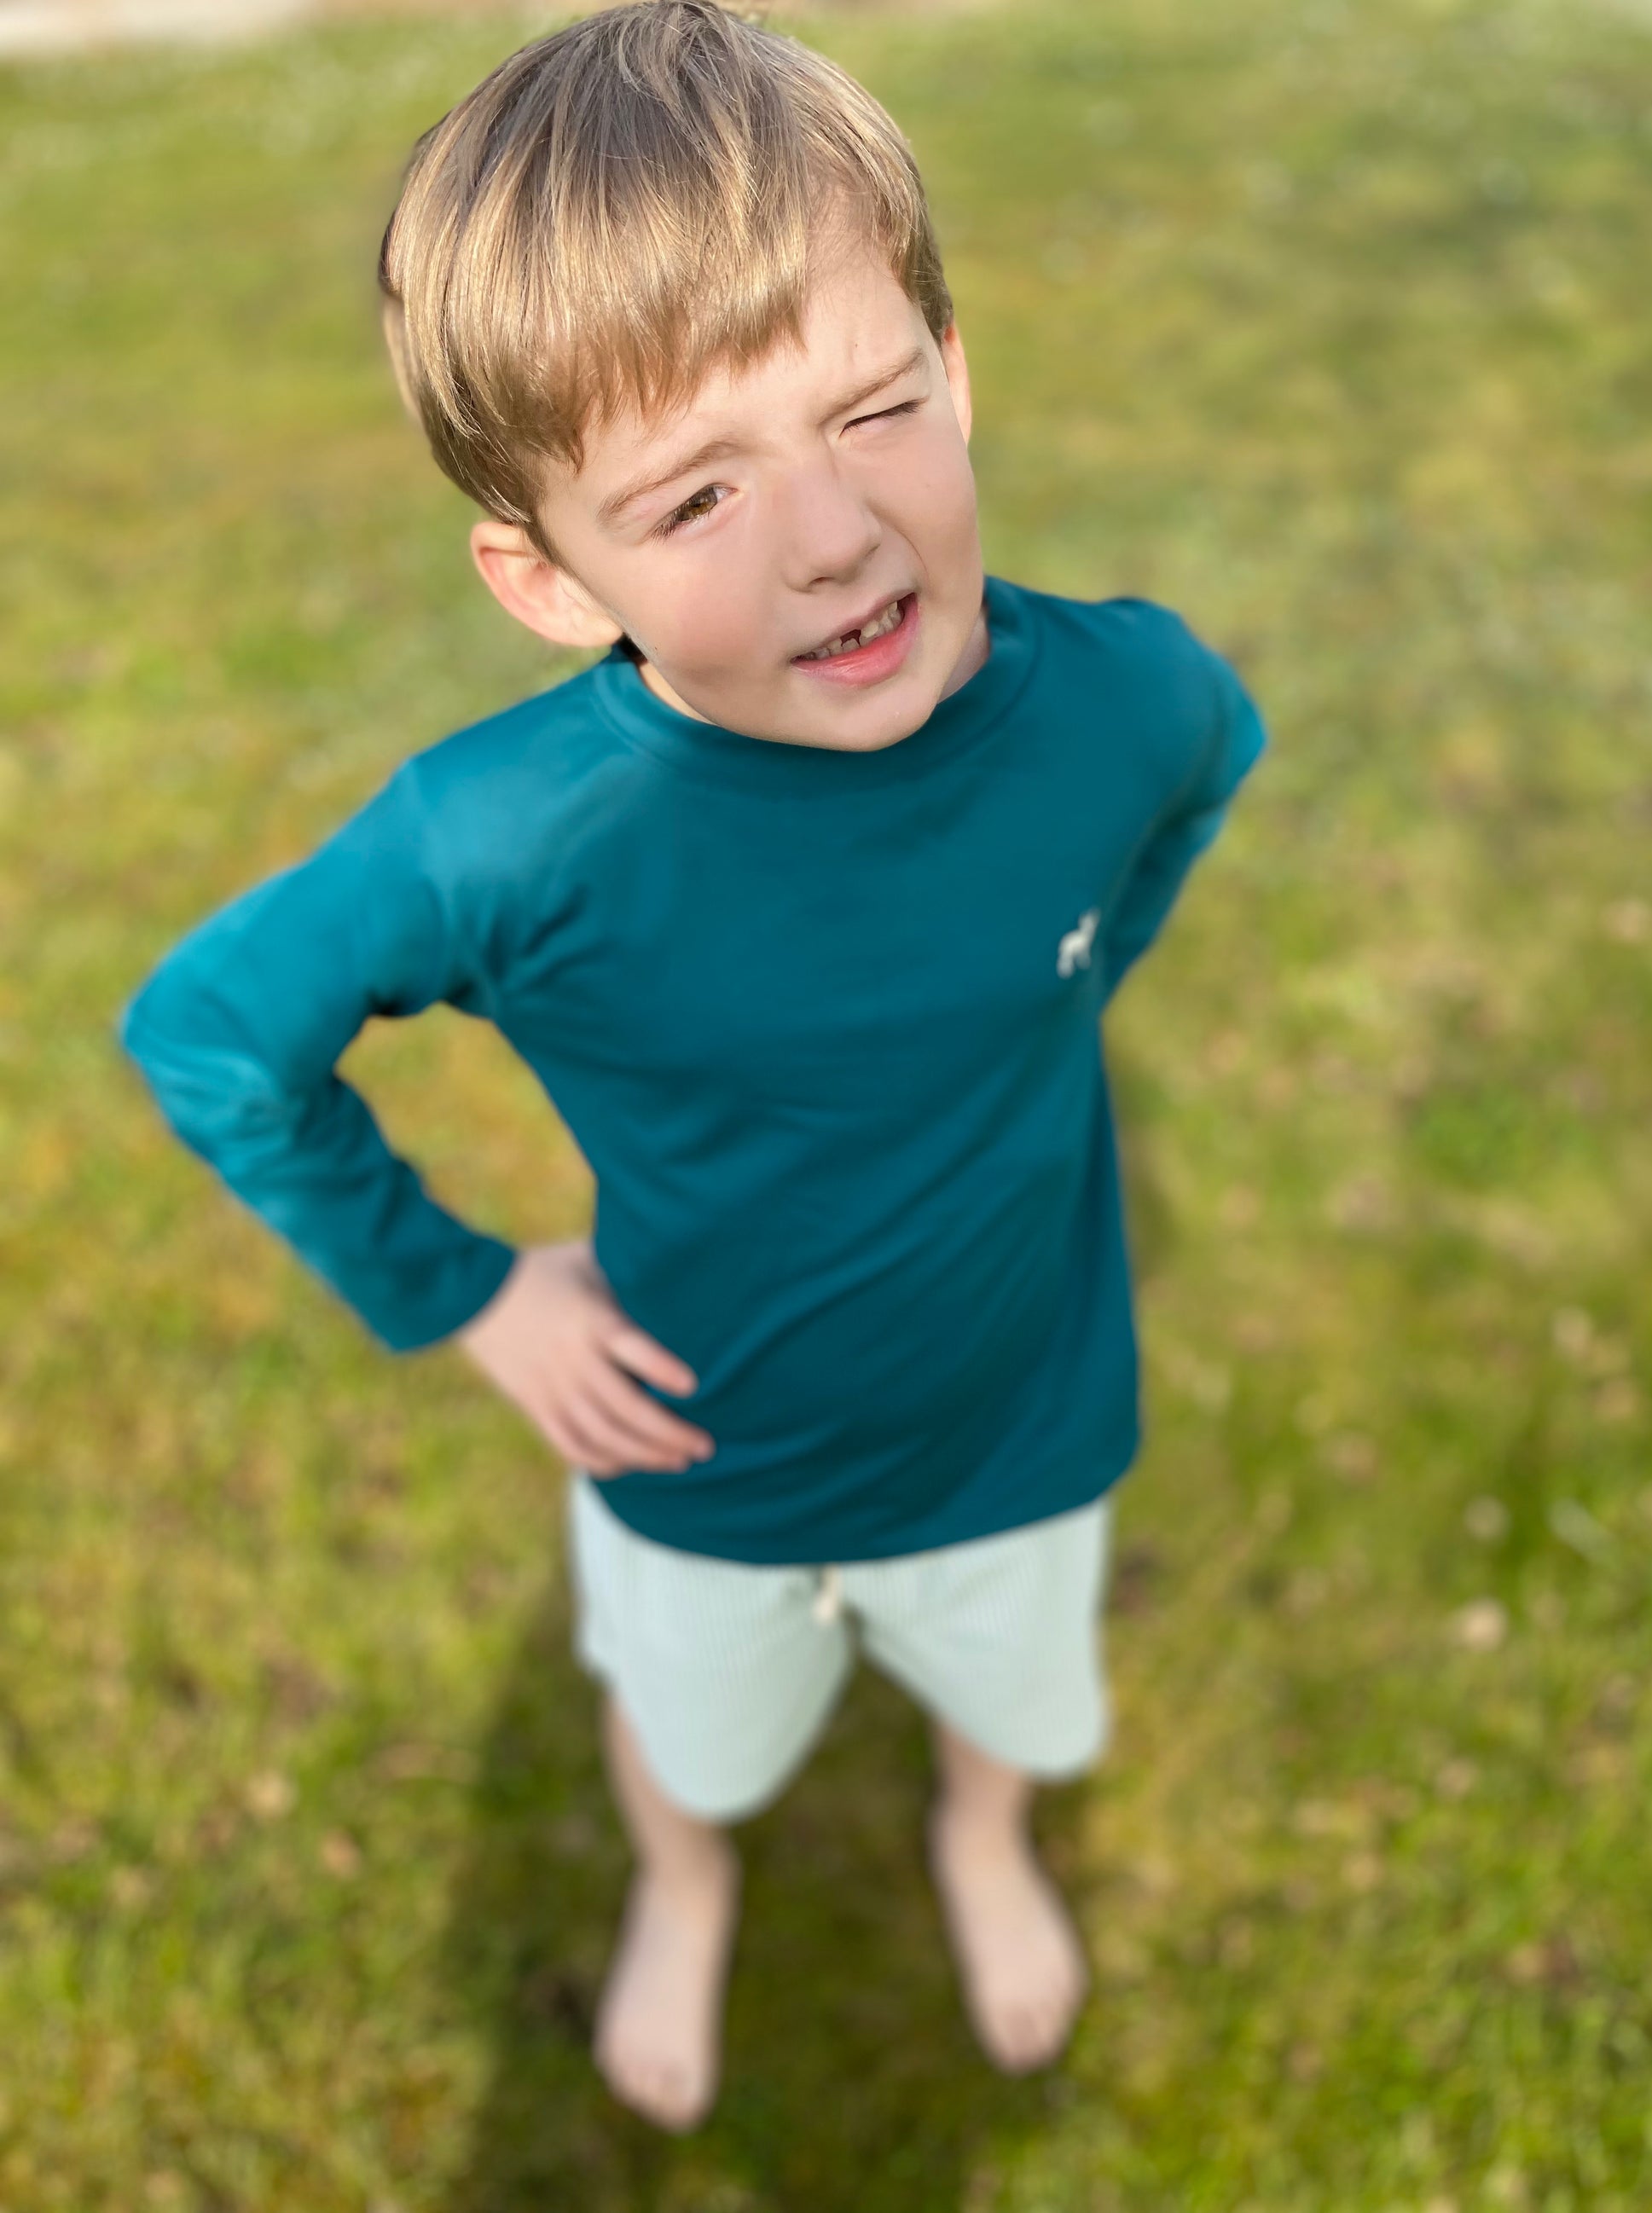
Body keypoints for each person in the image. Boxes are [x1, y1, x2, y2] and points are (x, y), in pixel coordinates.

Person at [117, 0, 1267, 2135]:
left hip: (1021, 1420)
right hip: (699, 1470)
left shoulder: (1123, 698)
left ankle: (980, 1837)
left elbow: (1199, 774)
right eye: (698, 492)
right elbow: (208, 1028)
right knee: (693, 1737)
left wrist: (1077, 972)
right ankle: (684, 1883)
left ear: (960, 375)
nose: (832, 536)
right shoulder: (508, 836)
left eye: (876, 410)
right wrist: (458, 1283)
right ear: (549, 582)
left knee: (1013, 1695)